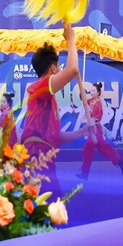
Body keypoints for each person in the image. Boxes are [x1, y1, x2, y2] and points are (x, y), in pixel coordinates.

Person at [20, 25, 93, 197]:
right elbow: (73, 69)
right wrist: (70, 39)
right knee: (49, 205)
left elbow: (55, 136)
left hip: (44, 159)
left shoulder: (48, 98)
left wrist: (82, 131)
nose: (60, 71)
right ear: (53, 68)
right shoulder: (41, 87)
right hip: (35, 158)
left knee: (52, 205)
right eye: (59, 67)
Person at [77, 82, 123, 180]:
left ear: (98, 93)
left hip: (95, 130)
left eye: (93, 90)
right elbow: (85, 101)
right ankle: (119, 161)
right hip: (94, 130)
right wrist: (82, 93)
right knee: (103, 149)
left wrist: (88, 120)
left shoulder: (98, 104)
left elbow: (98, 117)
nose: (91, 92)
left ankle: (85, 173)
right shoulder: (92, 101)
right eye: (91, 90)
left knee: (87, 150)